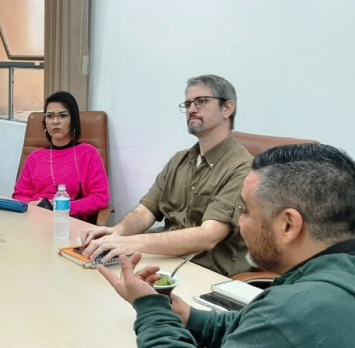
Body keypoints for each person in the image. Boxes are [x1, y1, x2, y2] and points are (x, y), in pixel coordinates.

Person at [84, 144, 355, 348]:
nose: (239, 223)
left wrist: (151, 309)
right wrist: (191, 318)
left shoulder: (298, 311)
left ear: (289, 224)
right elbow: (270, 330)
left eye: (247, 211)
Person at [82, 74, 253, 276]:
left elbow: (209, 236)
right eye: (188, 104)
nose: (191, 109)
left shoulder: (242, 168)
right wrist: (116, 232)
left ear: (227, 108)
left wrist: (132, 242)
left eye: (201, 101)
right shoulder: (179, 160)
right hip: (165, 261)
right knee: (90, 271)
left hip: (205, 270)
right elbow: (146, 211)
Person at [13, 91, 110, 223]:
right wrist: (35, 206)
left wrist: (61, 207)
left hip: (70, 222)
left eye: (62, 116)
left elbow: (100, 198)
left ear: (73, 120)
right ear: (45, 121)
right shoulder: (34, 158)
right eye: (50, 116)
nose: (55, 122)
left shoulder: (88, 153)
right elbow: (19, 196)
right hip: (34, 221)